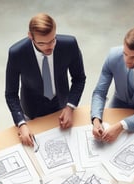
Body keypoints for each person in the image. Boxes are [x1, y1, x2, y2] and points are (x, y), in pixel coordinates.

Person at [5, 13, 86, 147]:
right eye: (42, 43)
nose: (49, 47)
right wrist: (21, 124)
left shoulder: (69, 44)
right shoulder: (17, 53)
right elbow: (11, 94)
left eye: (52, 40)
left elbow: (79, 78)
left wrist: (70, 106)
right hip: (31, 111)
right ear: (30, 36)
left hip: (62, 106)